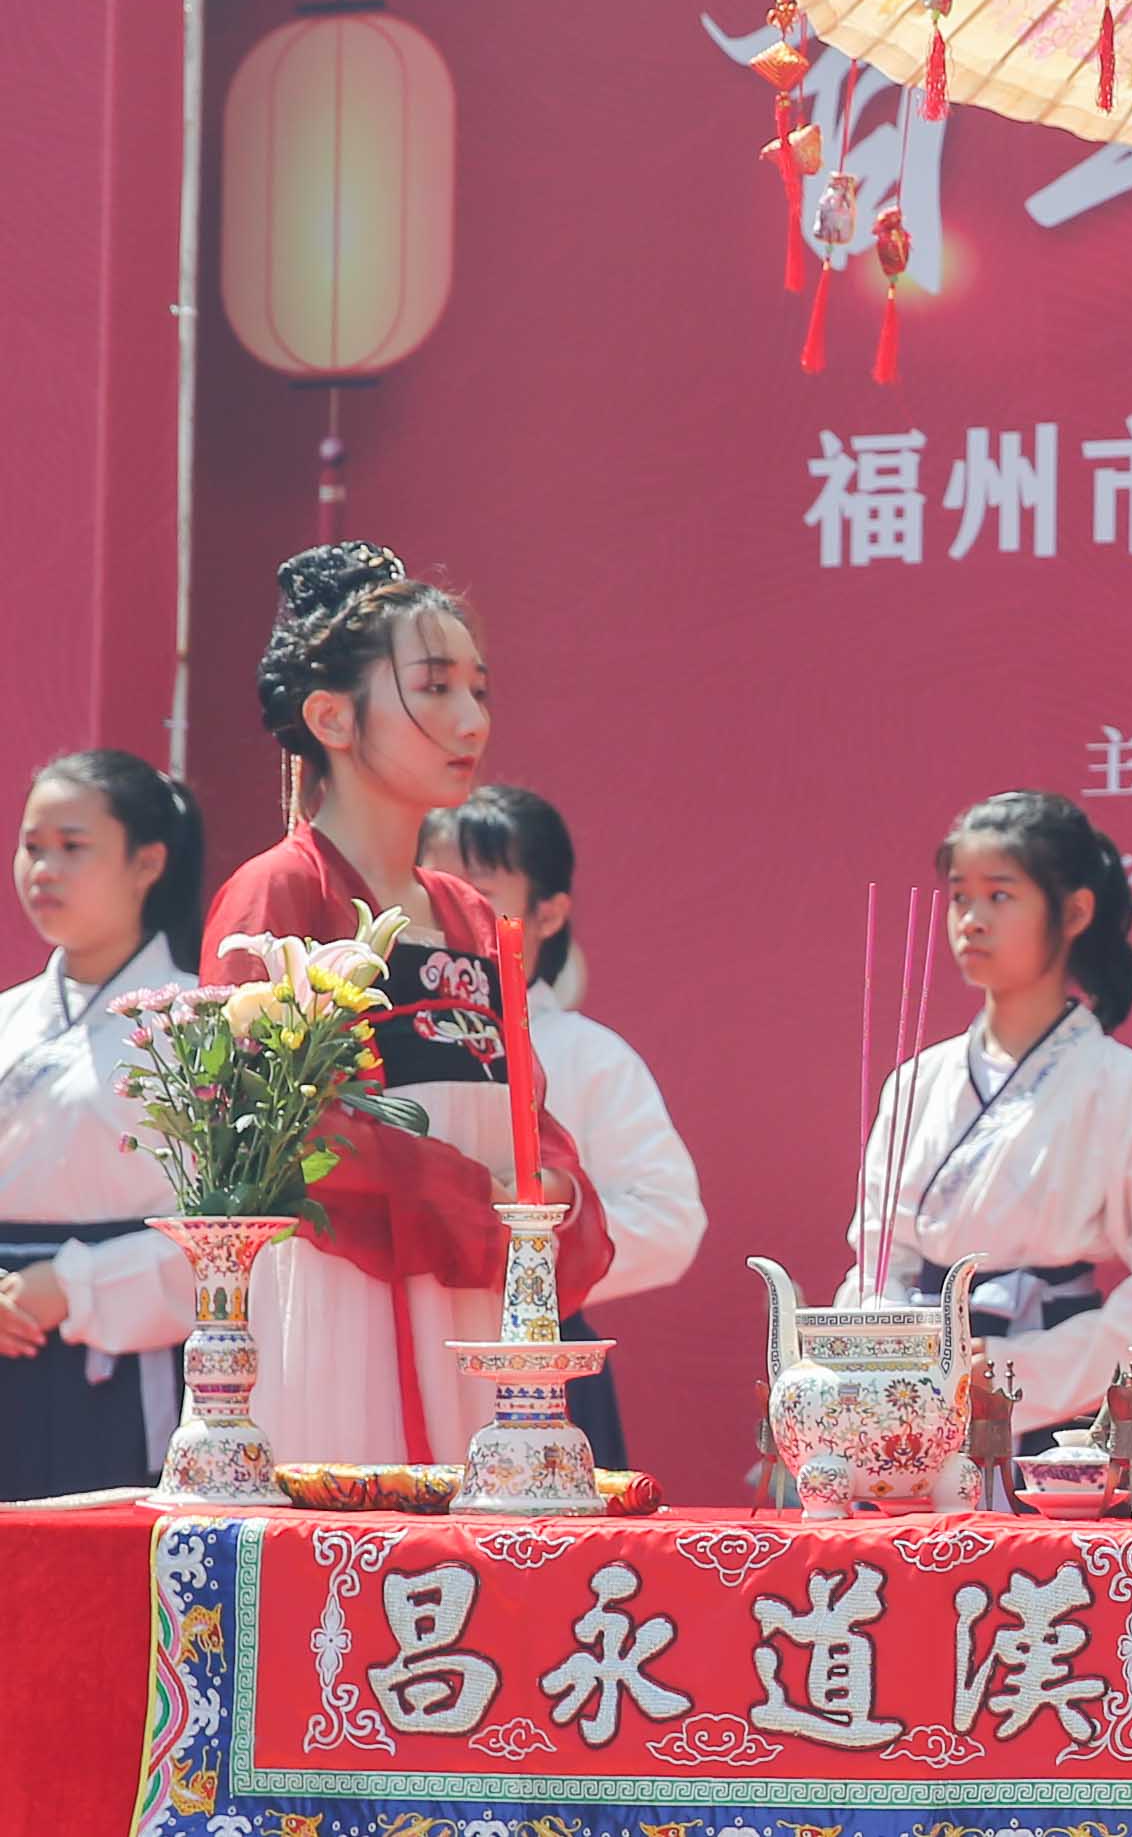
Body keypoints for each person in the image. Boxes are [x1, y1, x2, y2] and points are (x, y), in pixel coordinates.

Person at [203, 544, 609, 1468]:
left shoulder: (470, 915)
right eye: (433, 688)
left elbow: (525, 1111)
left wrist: (550, 1194)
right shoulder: (281, 893)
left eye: (479, 690)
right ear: (332, 717)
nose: (470, 720)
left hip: (485, 1298)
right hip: (349, 1300)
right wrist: (483, 1209)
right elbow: (282, 1127)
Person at [841, 792, 1132, 1464]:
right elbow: (877, 1262)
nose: (971, 921)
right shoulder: (920, 1078)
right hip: (911, 1398)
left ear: (1074, 912)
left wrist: (1020, 1368)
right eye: (959, 897)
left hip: (1056, 1410)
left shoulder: (1118, 1082)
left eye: (999, 897)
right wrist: (896, 1364)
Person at [422, 784, 702, 1470]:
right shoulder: (367, 1041)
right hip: (405, 1344)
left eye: (477, 887)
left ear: (548, 912)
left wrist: (528, 1246)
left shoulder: (587, 1053)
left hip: (545, 1373)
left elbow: (670, 1219)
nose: (449, 908)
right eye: (430, 886)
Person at [0, 753, 205, 1495]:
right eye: (31, 844)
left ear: (148, 860)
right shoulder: (9, 1018)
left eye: (72, 845)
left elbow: (221, 1233)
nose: (43, 867)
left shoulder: (197, 1021)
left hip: (118, 1360)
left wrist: (76, 1283)